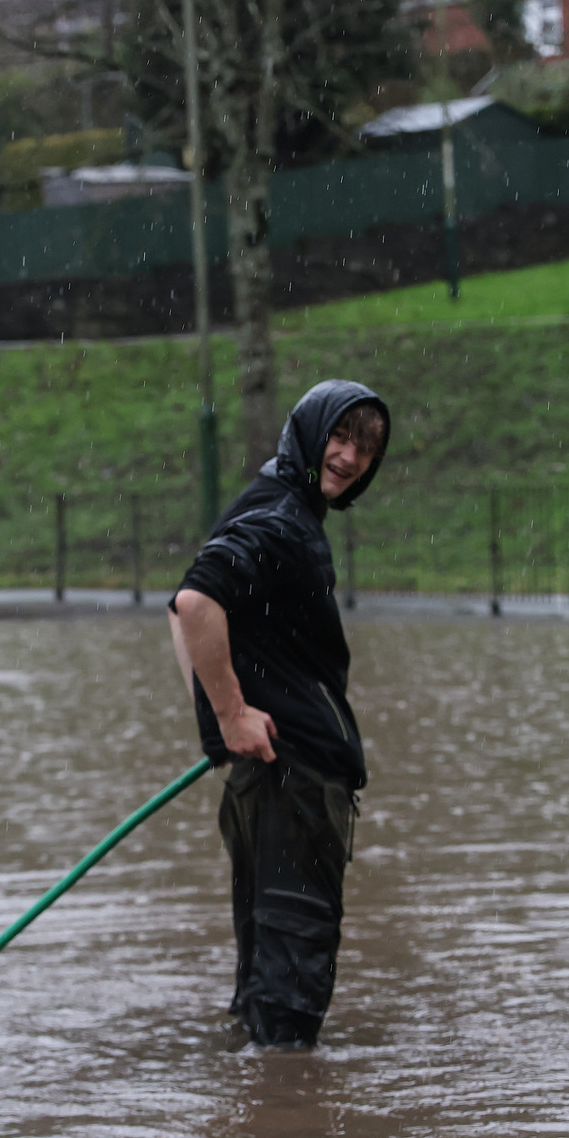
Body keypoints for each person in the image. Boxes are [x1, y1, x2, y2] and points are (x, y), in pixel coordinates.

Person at [167, 380, 389, 1047]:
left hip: (269, 781)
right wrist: (229, 718)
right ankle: (289, 1126)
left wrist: (221, 727)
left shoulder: (274, 506)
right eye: (340, 437)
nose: (350, 457)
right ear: (308, 433)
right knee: (291, 987)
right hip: (291, 785)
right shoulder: (281, 520)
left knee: (267, 974)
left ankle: (266, 1107)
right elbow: (194, 604)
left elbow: (185, 614)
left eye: (367, 449)